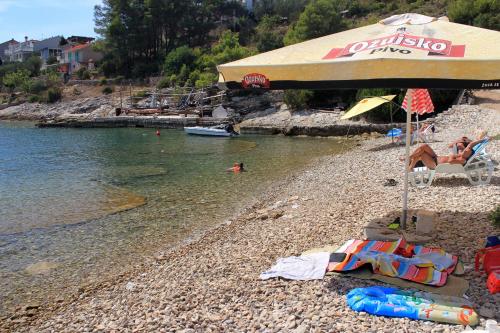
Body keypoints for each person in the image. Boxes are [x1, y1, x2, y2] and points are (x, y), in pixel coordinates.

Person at [407, 137, 486, 171]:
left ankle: (410, 165)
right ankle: (409, 159)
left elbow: (451, 161)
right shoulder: (461, 155)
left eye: (466, 151)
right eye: (466, 149)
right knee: (424, 146)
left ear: (468, 155)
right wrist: (482, 140)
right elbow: (470, 145)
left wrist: (451, 155)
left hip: (435, 164)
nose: (465, 150)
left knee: (422, 153)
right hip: (436, 158)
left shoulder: (462, 160)